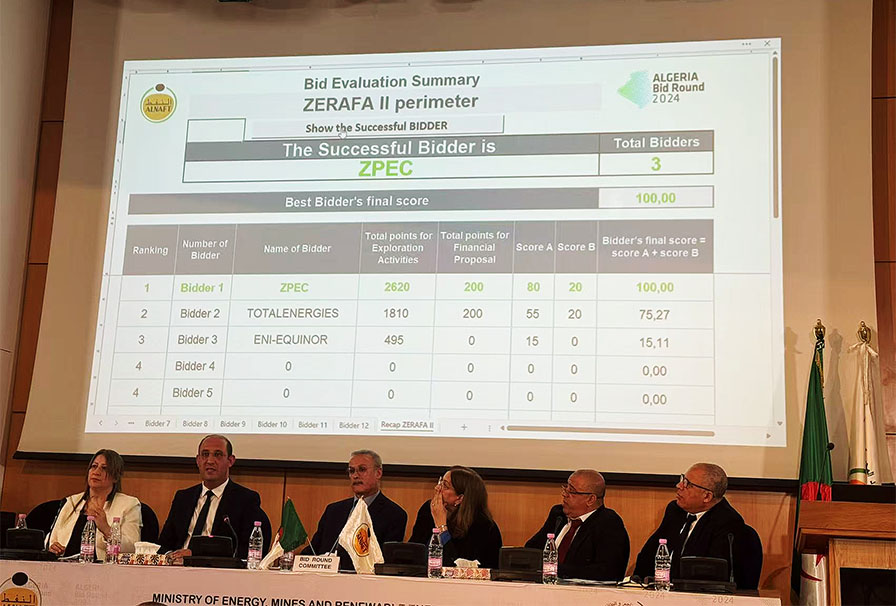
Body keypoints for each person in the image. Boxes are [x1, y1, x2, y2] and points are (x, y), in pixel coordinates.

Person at [157, 435, 270, 559]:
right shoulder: (183, 498)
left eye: (218, 455)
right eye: (205, 455)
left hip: (218, 569)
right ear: (198, 460)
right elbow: (164, 544)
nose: (210, 461)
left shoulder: (245, 500)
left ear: (230, 461)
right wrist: (170, 556)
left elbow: (244, 550)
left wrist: (196, 554)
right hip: (177, 566)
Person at [633, 462, 746, 582]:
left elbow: (709, 574)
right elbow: (648, 555)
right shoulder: (675, 511)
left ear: (707, 496)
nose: (679, 485)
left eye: (688, 484)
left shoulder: (727, 522)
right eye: (682, 479)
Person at [303, 449, 407, 570]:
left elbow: (386, 562)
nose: (355, 476)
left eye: (362, 469)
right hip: (323, 576)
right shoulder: (333, 511)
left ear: (378, 473)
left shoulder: (394, 514)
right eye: (351, 471)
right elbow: (313, 550)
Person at [525, 469, 629, 581]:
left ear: (590, 499)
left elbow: (608, 571)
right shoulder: (558, 515)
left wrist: (554, 569)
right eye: (565, 488)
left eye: (571, 491)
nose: (564, 494)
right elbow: (531, 551)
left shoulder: (608, 523)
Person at [48, 449, 142, 559]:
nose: (96, 472)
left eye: (104, 468)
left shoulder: (129, 505)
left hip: (104, 567)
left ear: (115, 477)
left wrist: (106, 529)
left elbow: (132, 548)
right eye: (94, 466)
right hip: (63, 564)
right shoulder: (71, 502)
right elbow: (50, 538)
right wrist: (52, 547)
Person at [409, 466, 502, 568]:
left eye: (445, 486)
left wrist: (441, 526)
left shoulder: (484, 527)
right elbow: (413, 554)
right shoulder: (428, 510)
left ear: (460, 498)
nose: (437, 488)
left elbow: (455, 565)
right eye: (440, 482)